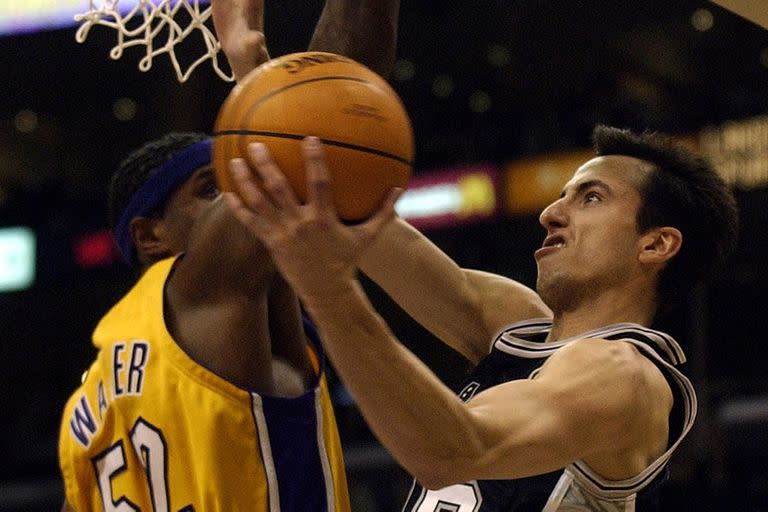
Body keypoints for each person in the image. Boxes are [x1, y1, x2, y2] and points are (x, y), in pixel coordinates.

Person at [223, 125, 739, 510]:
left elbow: (449, 451)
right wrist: (264, 83)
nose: (551, 213)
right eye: (561, 195)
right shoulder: (514, 326)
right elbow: (355, 214)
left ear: (656, 243)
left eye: (591, 198)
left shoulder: (623, 378)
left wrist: (326, 290)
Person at [57, 0, 401, 510]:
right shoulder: (203, 295)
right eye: (211, 188)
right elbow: (321, 121)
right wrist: (252, 63)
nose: (239, 196)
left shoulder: (87, 406)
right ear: (151, 235)